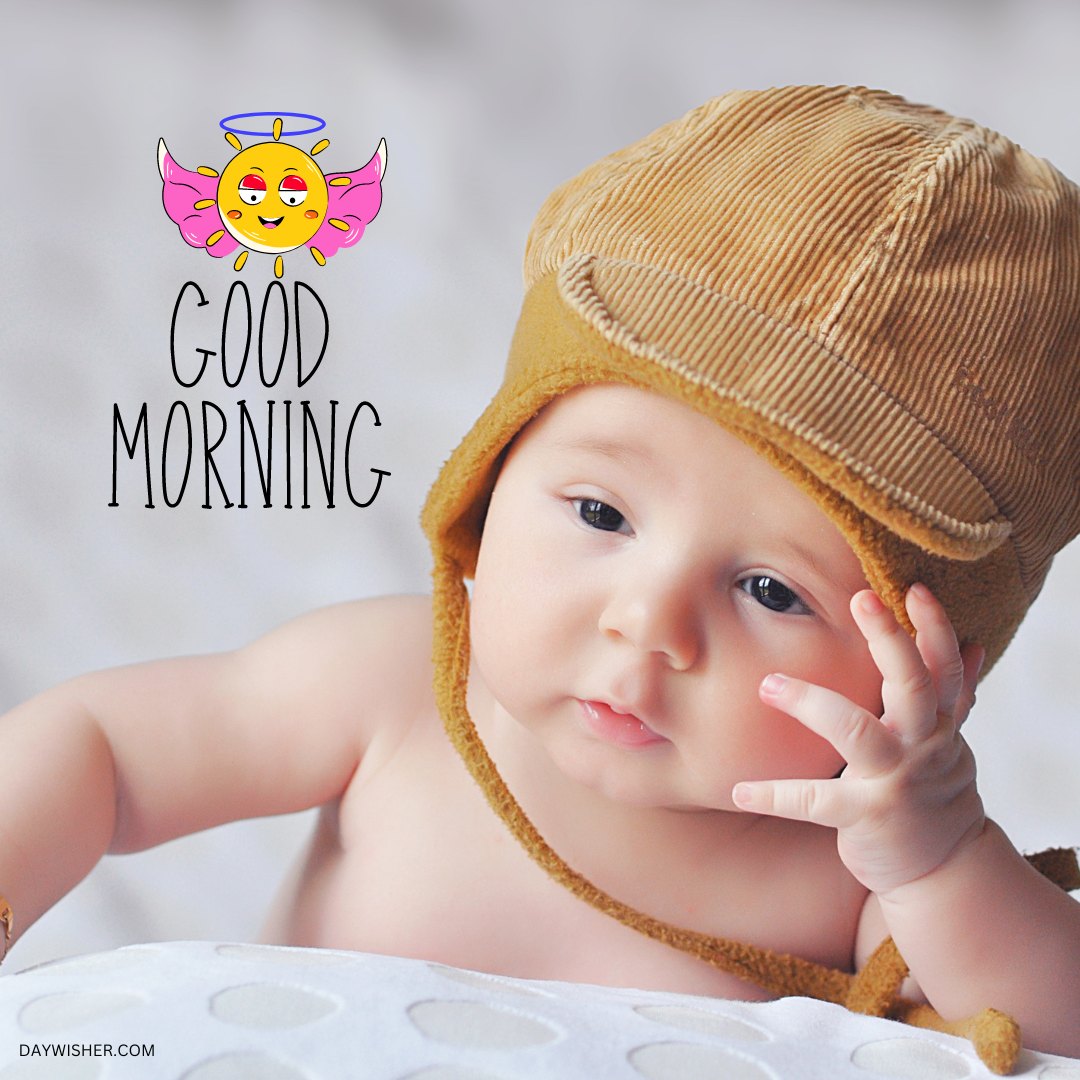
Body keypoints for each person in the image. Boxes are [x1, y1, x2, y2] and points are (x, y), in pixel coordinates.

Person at [2, 86, 1077, 1068]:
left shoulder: (858, 865)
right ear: (488, 477)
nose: (648, 621)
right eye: (602, 513)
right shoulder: (396, 689)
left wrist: (943, 859)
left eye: (771, 591)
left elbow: (1053, 1026)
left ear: (939, 678)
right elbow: (101, 749)